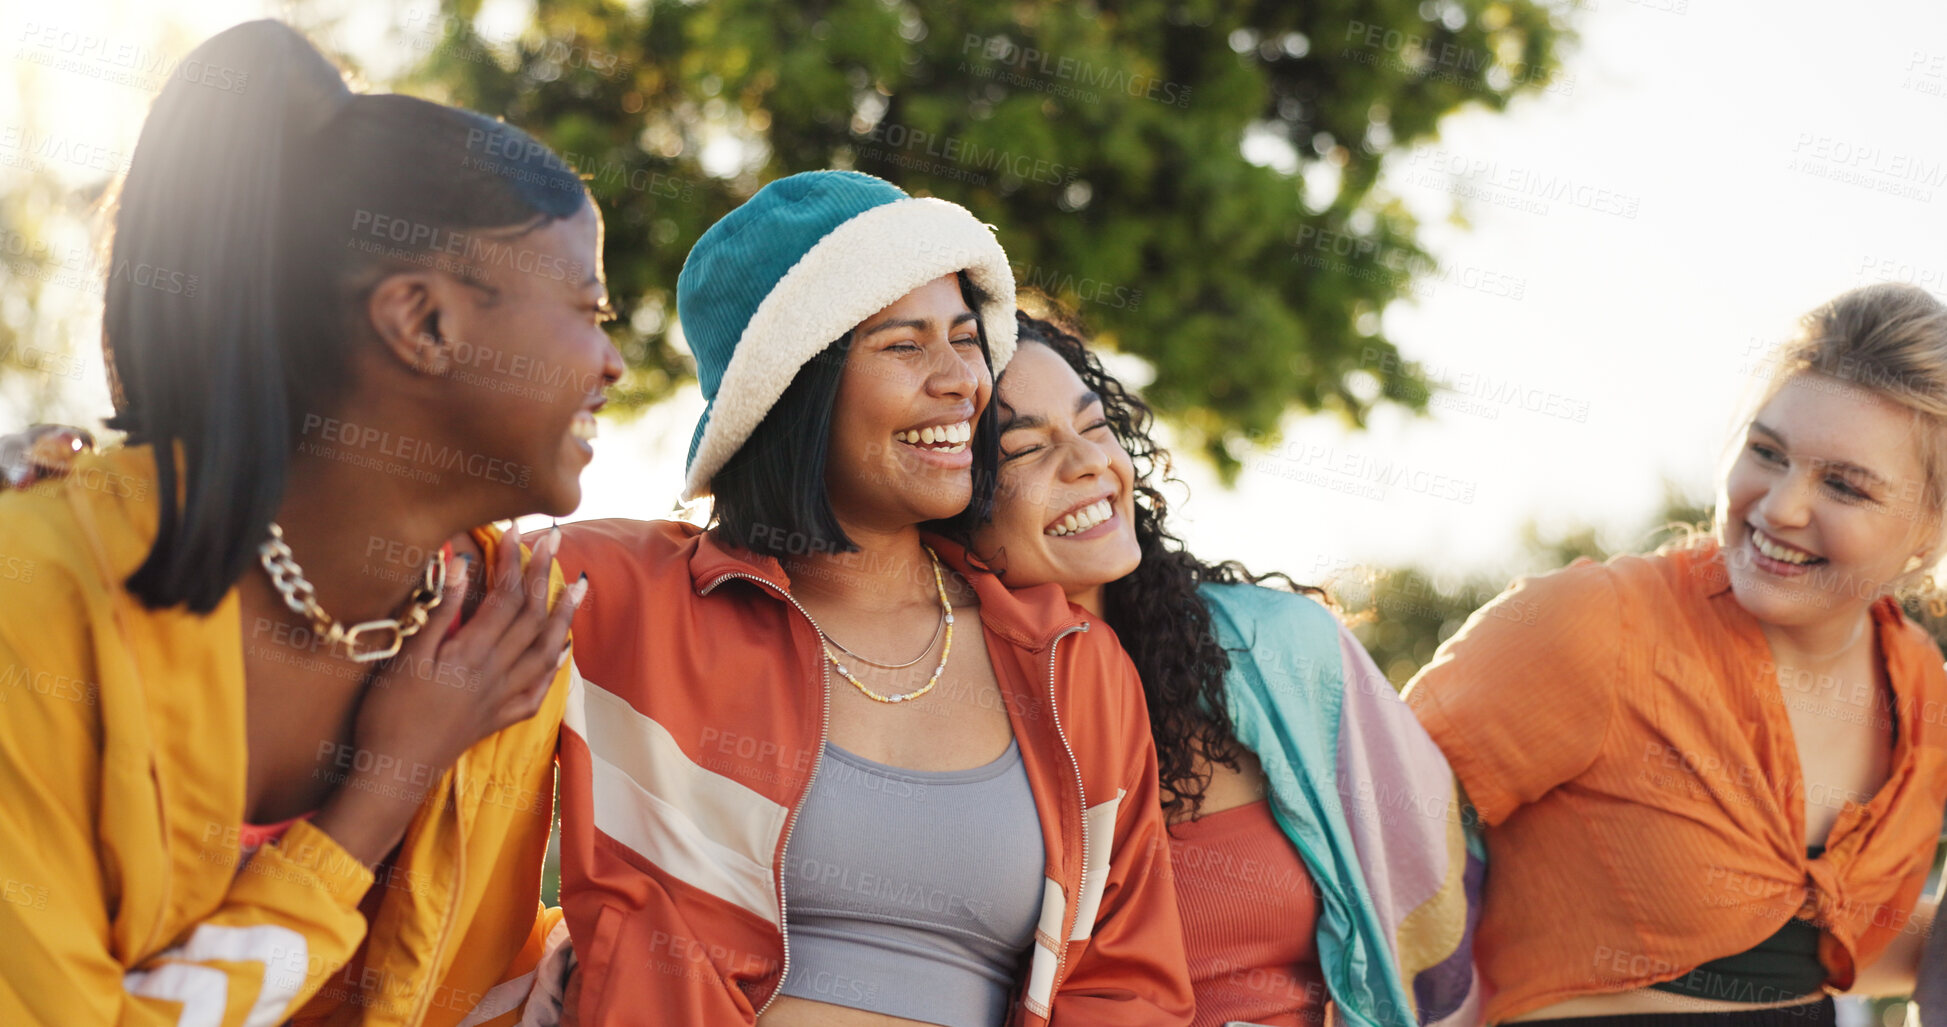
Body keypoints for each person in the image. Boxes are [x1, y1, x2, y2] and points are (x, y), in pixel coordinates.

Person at [0, 20, 622, 1025]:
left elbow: (479, 974)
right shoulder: (36, 593)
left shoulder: (500, 623)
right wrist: (375, 803)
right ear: (423, 323)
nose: (613, 365)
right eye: (590, 310)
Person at [542, 170, 1194, 1025]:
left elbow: (1128, 986)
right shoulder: (615, 590)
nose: (962, 379)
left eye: (966, 338)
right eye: (904, 345)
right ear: (792, 388)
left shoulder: (1072, 664)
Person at [1403, 283, 1947, 1025]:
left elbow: (1827, 955)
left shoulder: (1920, 691)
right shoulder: (1593, 625)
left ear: (1928, 531)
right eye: (1766, 452)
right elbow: (1358, 820)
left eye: (1844, 486)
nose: (1779, 506)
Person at [963, 309, 1482, 1027]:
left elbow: (1434, 900)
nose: (1086, 463)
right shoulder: (937, 700)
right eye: (1022, 449)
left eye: (1092, 427)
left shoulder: (1283, 655)